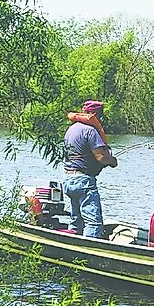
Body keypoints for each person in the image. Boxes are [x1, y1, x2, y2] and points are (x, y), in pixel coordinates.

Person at [62, 100, 117, 237]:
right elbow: (101, 157)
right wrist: (112, 161)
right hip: (83, 182)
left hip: (68, 179)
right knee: (94, 223)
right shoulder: (90, 131)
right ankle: (89, 253)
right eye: (101, 115)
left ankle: (71, 249)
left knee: (76, 221)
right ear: (94, 114)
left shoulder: (71, 129)